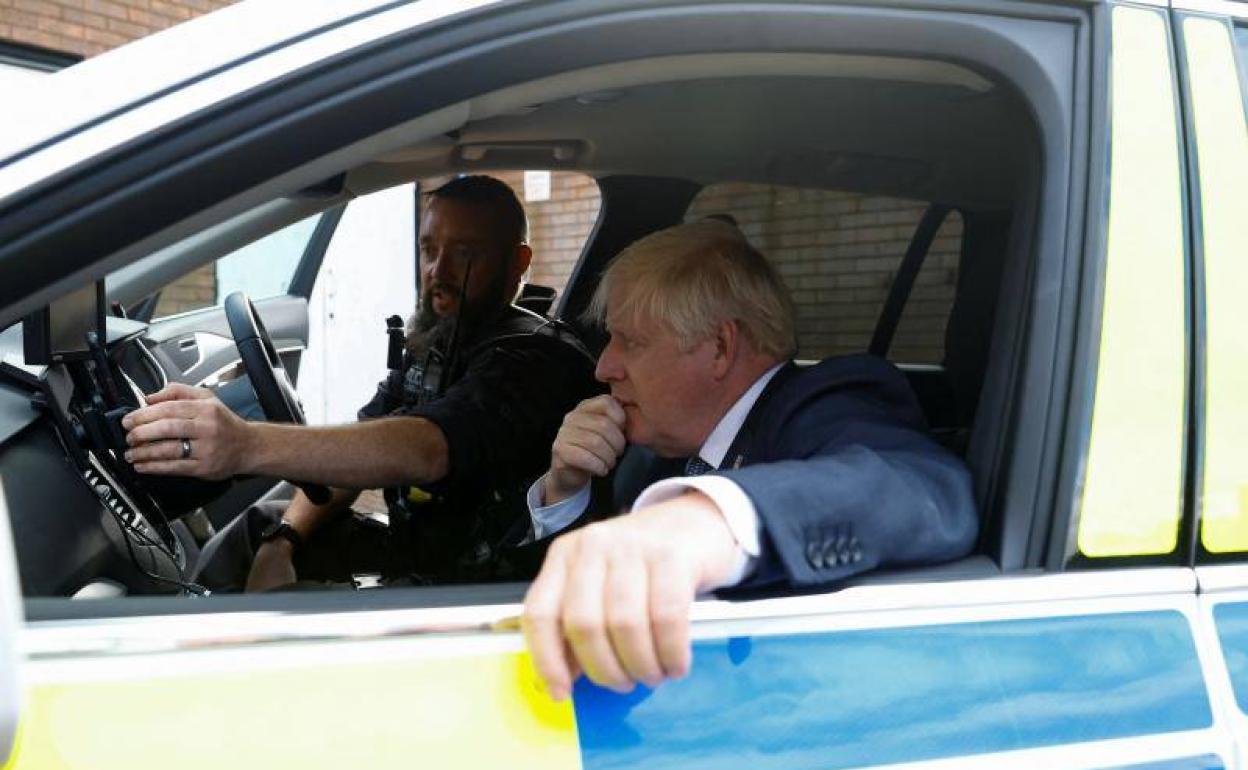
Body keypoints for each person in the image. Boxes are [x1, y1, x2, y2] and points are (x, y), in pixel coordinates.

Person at [519, 220, 978, 700]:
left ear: (720, 348)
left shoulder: (823, 405)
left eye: (631, 342)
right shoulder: (653, 454)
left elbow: (921, 485)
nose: (604, 367)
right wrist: (566, 490)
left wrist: (705, 522)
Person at [122, 175, 600, 589]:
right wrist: (282, 545)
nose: (439, 271)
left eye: (466, 253)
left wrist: (244, 444)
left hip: (485, 584)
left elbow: (426, 449)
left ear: (518, 263)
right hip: (417, 555)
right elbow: (367, 442)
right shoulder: (435, 343)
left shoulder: (534, 359)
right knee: (264, 527)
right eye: (430, 250)